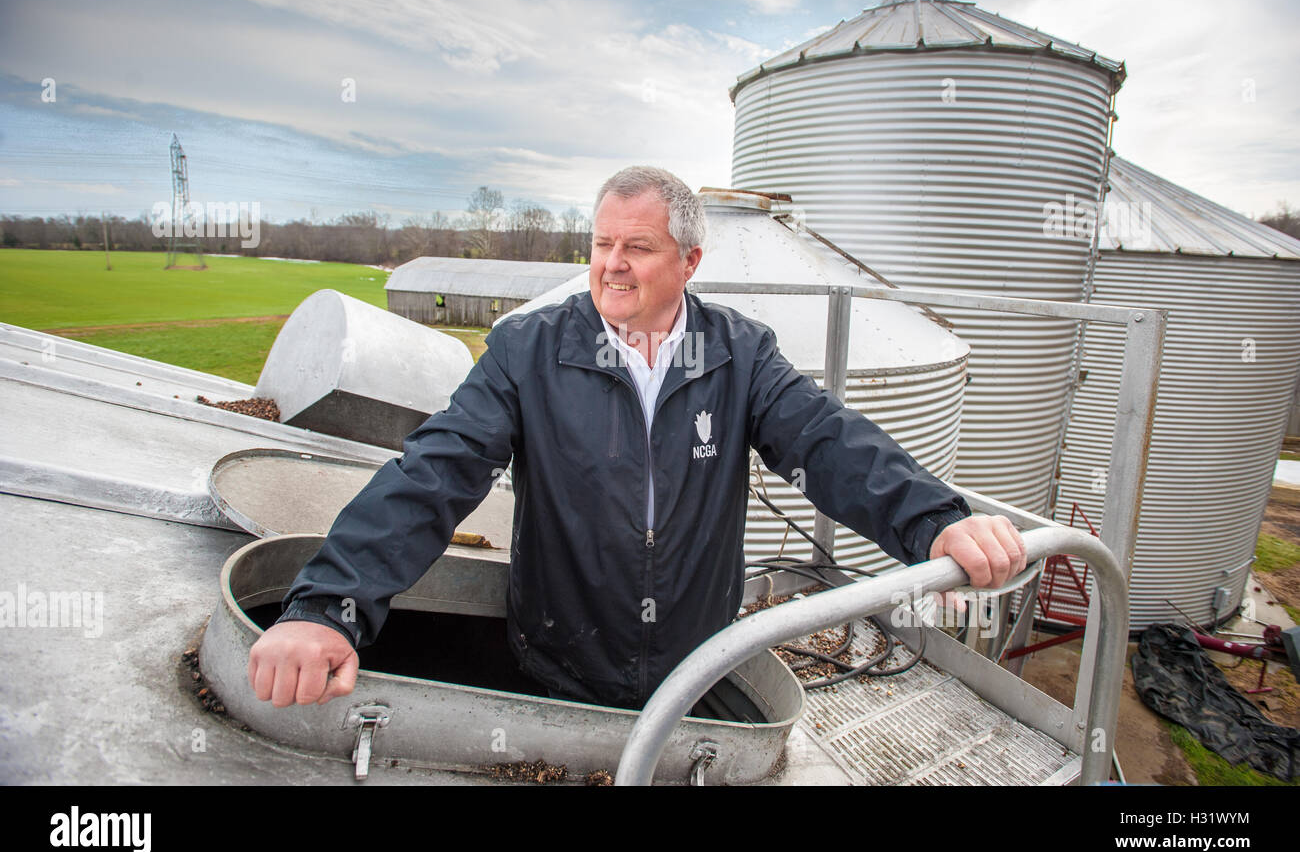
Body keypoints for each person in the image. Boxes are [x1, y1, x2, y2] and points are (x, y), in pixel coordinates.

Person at [247, 166, 1027, 711]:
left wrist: (935, 518)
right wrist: (327, 605)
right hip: (558, 668)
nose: (611, 267)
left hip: (696, 668)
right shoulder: (529, 349)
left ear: (689, 259)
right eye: (600, 245)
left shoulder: (738, 353)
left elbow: (826, 441)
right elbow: (435, 471)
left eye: (637, 247)